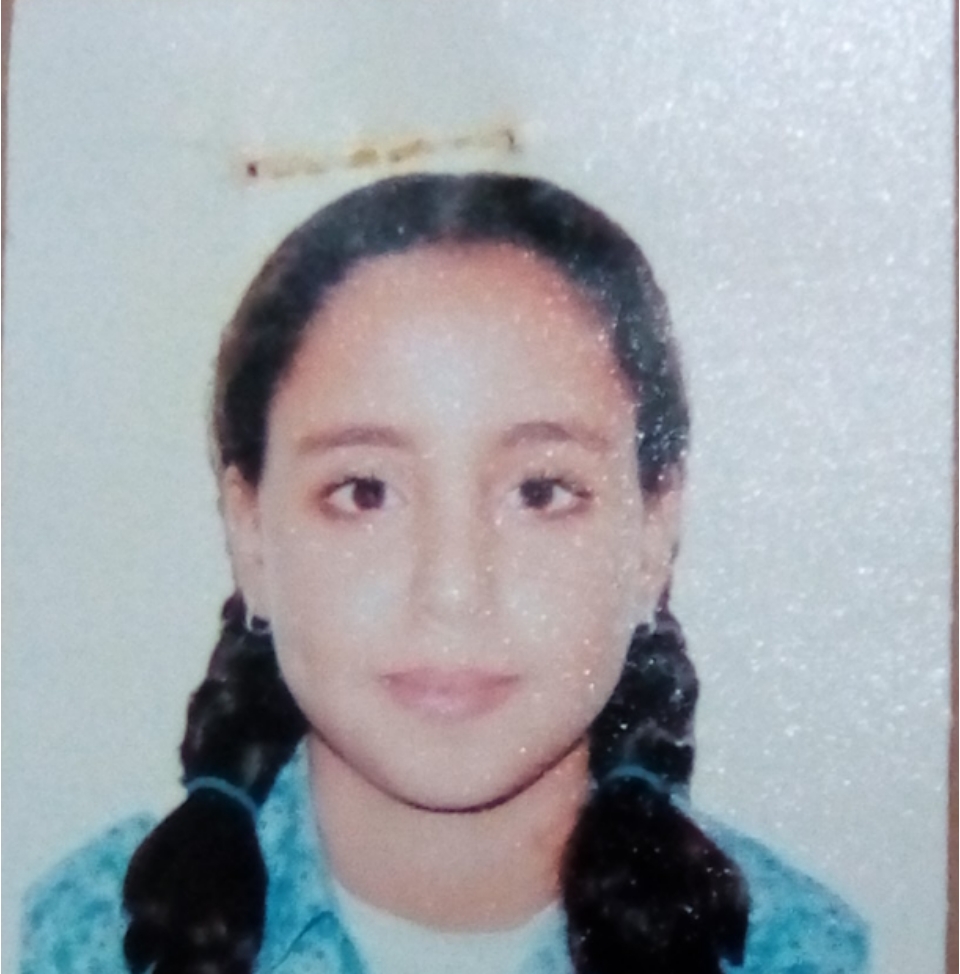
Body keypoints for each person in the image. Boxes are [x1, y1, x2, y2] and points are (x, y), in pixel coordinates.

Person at [21, 172, 868, 974]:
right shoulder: (72, 943)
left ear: (653, 532)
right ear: (251, 537)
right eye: (365, 491)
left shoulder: (810, 953)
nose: (454, 589)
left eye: (540, 491)